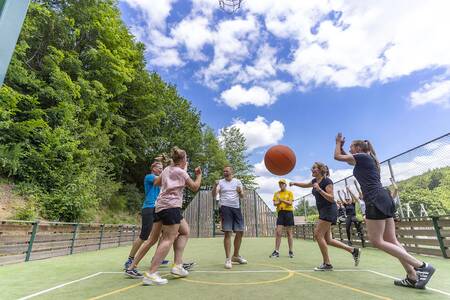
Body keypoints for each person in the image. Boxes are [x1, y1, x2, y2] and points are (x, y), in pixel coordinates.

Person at [334, 133, 435, 289]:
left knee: (377, 240)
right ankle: (412, 276)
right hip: (384, 197)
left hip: (375, 199)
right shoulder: (370, 159)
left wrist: (337, 143)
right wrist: (341, 147)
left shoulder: (362, 157)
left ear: (359, 148)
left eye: (351, 147)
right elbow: (346, 158)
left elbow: (337, 157)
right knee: (392, 240)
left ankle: (421, 266)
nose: (349, 149)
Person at [142, 147, 202, 286]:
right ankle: (151, 274)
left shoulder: (168, 170)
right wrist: (198, 175)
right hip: (171, 207)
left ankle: (178, 266)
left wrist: (171, 177)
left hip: (160, 206)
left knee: (185, 231)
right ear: (183, 159)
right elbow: (194, 187)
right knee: (168, 239)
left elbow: (157, 182)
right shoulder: (180, 172)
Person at [290, 162, 361, 271]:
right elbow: (306, 185)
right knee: (328, 239)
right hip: (323, 211)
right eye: (311, 168)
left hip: (329, 210)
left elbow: (331, 198)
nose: (312, 170)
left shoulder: (327, 181)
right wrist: (294, 183)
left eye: (314, 168)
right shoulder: (314, 181)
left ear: (320, 170)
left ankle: (327, 264)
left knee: (318, 234)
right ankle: (353, 250)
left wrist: (319, 190)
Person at [123, 161, 163, 277]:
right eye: (159, 167)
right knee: (144, 236)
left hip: (158, 208)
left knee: (166, 233)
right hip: (149, 208)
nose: (161, 169)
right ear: (153, 168)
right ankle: (130, 259)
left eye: (162, 168)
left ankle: (158, 257)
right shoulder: (149, 177)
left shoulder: (161, 177)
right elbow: (159, 180)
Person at [212, 166, 247, 269]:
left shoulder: (238, 182)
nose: (224, 172)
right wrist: (215, 186)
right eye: (224, 171)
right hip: (225, 208)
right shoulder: (220, 182)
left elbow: (242, 196)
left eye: (226, 171)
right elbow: (214, 194)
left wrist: (240, 192)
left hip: (236, 208)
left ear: (232, 172)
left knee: (240, 232)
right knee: (228, 232)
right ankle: (228, 259)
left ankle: (235, 256)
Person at [270, 179, 295, 258]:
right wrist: (280, 202)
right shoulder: (276, 193)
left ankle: (290, 251)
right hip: (280, 213)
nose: (281, 185)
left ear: (285, 185)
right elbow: (274, 203)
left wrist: (281, 200)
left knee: (289, 233)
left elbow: (290, 203)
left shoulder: (289, 193)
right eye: (280, 184)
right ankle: (276, 251)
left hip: (289, 213)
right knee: (278, 232)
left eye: (283, 184)